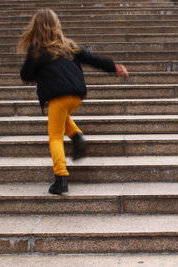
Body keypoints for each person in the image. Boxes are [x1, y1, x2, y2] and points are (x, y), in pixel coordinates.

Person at [18, 8, 129, 195]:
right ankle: (77, 136)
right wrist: (114, 67)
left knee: (55, 137)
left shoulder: (37, 50)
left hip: (58, 97)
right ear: (57, 25)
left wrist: (37, 71)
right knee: (61, 116)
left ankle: (60, 179)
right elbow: (93, 59)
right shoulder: (69, 46)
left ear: (35, 28)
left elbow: (25, 75)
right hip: (75, 96)